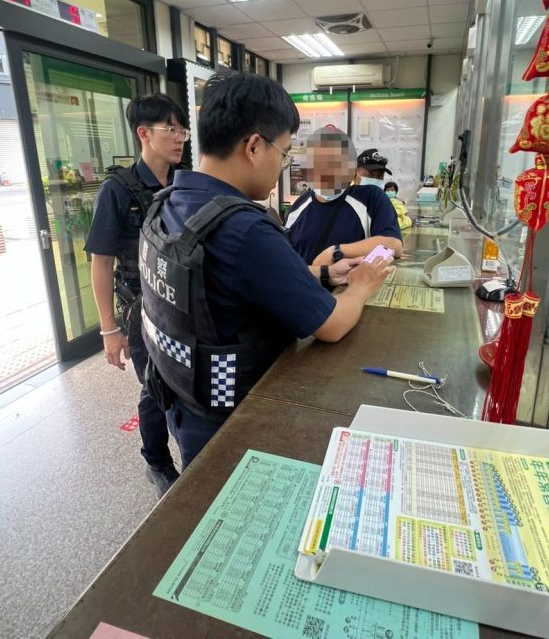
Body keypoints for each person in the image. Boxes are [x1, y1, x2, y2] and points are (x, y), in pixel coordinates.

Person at [138, 72, 392, 468]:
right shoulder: (244, 228)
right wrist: (361, 284)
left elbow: (230, 285)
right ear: (254, 146)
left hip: (181, 396)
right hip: (232, 421)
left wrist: (325, 275)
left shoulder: (169, 202)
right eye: (284, 152)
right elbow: (332, 325)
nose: (283, 166)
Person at [84, 94, 187, 496]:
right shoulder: (117, 189)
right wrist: (108, 330)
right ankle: (157, 463)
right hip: (140, 310)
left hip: (179, 305)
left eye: (182, 129)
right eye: (171, 129)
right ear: (144, 133)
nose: (180, 138)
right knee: (154, 385)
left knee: (181, 380)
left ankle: (189, 452)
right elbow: (101, 262)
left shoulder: (184, 181)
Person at [284, 128, 403, 266]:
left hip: (356, 279)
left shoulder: (370, 197)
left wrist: (336, 251)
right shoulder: (298, 208)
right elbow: (286, 258)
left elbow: (394, 245)